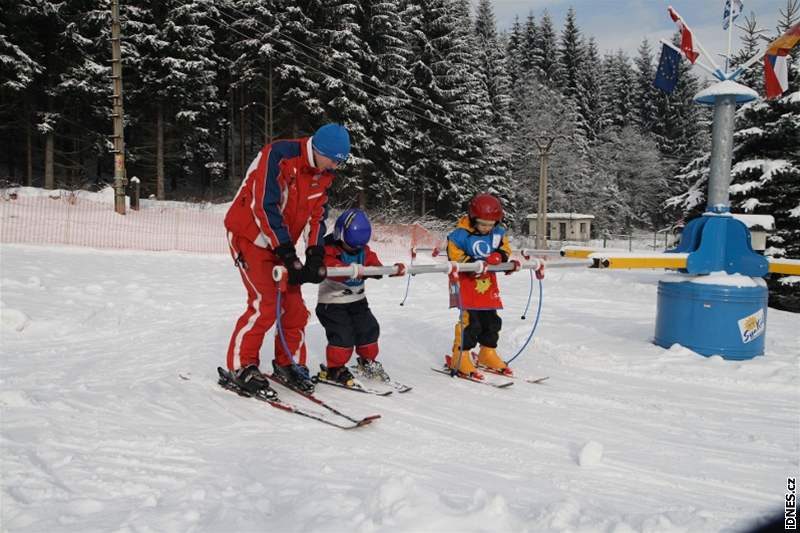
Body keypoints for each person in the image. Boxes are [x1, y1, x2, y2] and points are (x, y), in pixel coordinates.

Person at [223, 123, 351, 395]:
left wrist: (315, 255)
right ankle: (242, 365)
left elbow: (316, 217)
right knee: (265, 303)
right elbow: (263, 207)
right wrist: (287, 252)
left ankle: (289, 362)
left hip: (280, 244)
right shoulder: (279, 155)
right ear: (319, 150)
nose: (336, 167)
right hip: (251, 237)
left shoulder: (322, 175)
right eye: (335, 160)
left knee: (294, 309)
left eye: (341, 162)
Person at [315, 208, 389, 386]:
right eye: (351, 246)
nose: (355, 250)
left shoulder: (363, 250)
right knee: (343, 334)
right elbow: (330, 266)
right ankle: (335, 368)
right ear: (340, 235)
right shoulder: (328, 248)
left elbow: (373, 261)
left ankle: (367, 361)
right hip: (332, 304)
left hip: (357, 301)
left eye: (359, 247)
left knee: (369, 328)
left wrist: (380, 270)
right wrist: (349, 271)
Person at [446, 193, 516, 378]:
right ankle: (460, 356)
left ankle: (487, 352)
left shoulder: (497, 234)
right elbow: (454, 255)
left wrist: (500, 256)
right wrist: (471, 264)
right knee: (471, 322)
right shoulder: (460, 235)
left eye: (490, 225)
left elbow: (505, 248)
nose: (486, 228)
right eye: (482, 224)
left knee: (491, 320)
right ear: (472, 218)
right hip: (466, 284)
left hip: (487, 285)